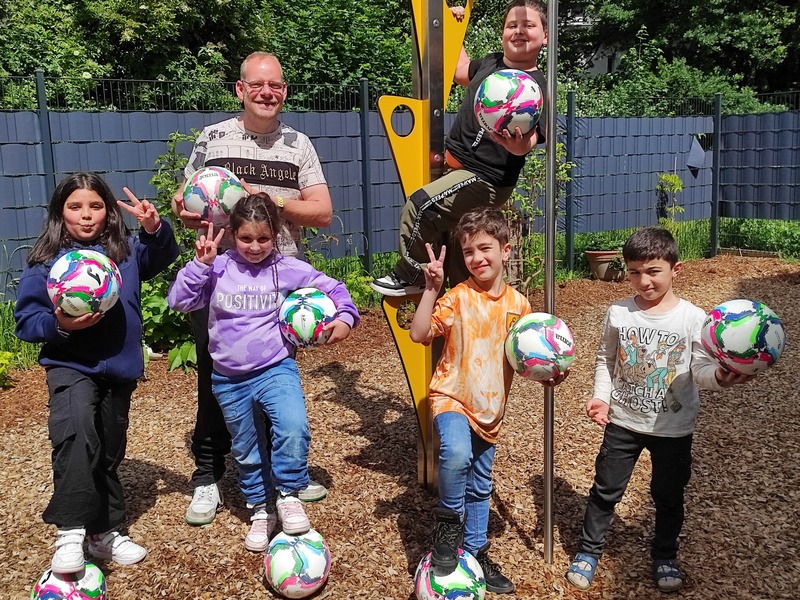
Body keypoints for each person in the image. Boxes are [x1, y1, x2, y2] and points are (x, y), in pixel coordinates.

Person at [171, 51, 334, 526]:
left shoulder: (298, 144)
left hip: (279, 282)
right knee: (216, 378)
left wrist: (267, 199)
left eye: (276, 85)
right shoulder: (213, 138)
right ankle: (207, 474)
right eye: (257, 85)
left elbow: (322, 211)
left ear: (284, 91)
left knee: (275, 381)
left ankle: (283, 479)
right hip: (221, 279)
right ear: (240, 89)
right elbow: (184, 202)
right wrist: (189, 207)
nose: (267, 93)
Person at [565, 227, 754, 593]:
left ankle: (665, 555)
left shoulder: (693, 318)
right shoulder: (619, 313)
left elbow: (700, 368)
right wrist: (601, 397)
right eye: (634, 272)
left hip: (674, 427)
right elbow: (605, 359)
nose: (643, 281)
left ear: (675, 269)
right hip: (623, 421)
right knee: (606, 489)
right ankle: (588, 551)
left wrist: (720, 377)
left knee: (668, 495)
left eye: (653, 271)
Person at [167, 193, 359, 551]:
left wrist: (346, 317)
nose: (254, 247)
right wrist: (199, 265)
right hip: (228, 378)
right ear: (231, 234)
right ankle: (260, 509)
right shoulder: (218, 267)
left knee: (293, 428)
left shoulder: (286, 268)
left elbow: (333, 287)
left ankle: (288, 494)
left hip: (275, 369)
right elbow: (179, 300)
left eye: (263, 238)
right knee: (246, 448)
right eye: (246, 238)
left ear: (277, 235)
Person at [14, 172, 179, 574]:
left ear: (108, 211)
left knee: (107, 450)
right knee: (75, 435)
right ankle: (70, 532)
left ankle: (102, 532)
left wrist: (155, 229)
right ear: (61, 213)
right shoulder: (48, 262)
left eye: (95, 206)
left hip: (119, 369)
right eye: (75, 207)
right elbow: (27, 321)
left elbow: (163, 255)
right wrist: (59, 325)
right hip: (70, 365)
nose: (86, 215)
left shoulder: (127, 252)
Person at [409, 206, 565, 594]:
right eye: (468, 252)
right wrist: (430, 290)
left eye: (484, 248)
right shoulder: (457, 297)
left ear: (506, 250)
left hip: (491, 410)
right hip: (452, 396)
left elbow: (526, 359)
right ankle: (447, 530)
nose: (477, 258)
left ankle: (477, 552)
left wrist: (549, 372)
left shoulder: (520, 306)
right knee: (456, 454)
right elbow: (419, 333)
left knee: (480, 487)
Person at [371, 0, 547, 297]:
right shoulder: (490, 63)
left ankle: (412, 272)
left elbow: (531, 140)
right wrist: (450, 26)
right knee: (456, 257)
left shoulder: (536, 86)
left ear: (544, 37)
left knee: (420, 206)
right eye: (512, 25)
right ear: (502, 32)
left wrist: (518, 145)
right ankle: (459, 311)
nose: (518, 31)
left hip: (484, 179)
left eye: (528, 25)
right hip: (456, 170)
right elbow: (459, 68)